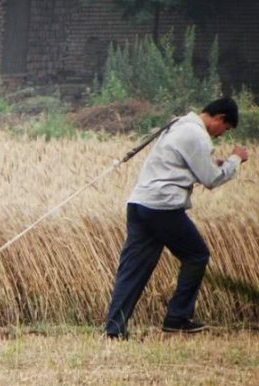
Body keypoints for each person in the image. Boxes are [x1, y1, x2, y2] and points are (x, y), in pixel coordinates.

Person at [105, 97, 249, 339]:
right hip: (163, 206)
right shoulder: (197, 134)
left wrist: (212, 163)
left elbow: (177, 164)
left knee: (133, 267)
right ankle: (177, 318)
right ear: (220, 118)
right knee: (197, 255)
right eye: (224, 129)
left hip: (140, 202)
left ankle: (114, 329)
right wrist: (235, 159)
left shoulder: (179, 124)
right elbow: (212, 179)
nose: (220, 135)